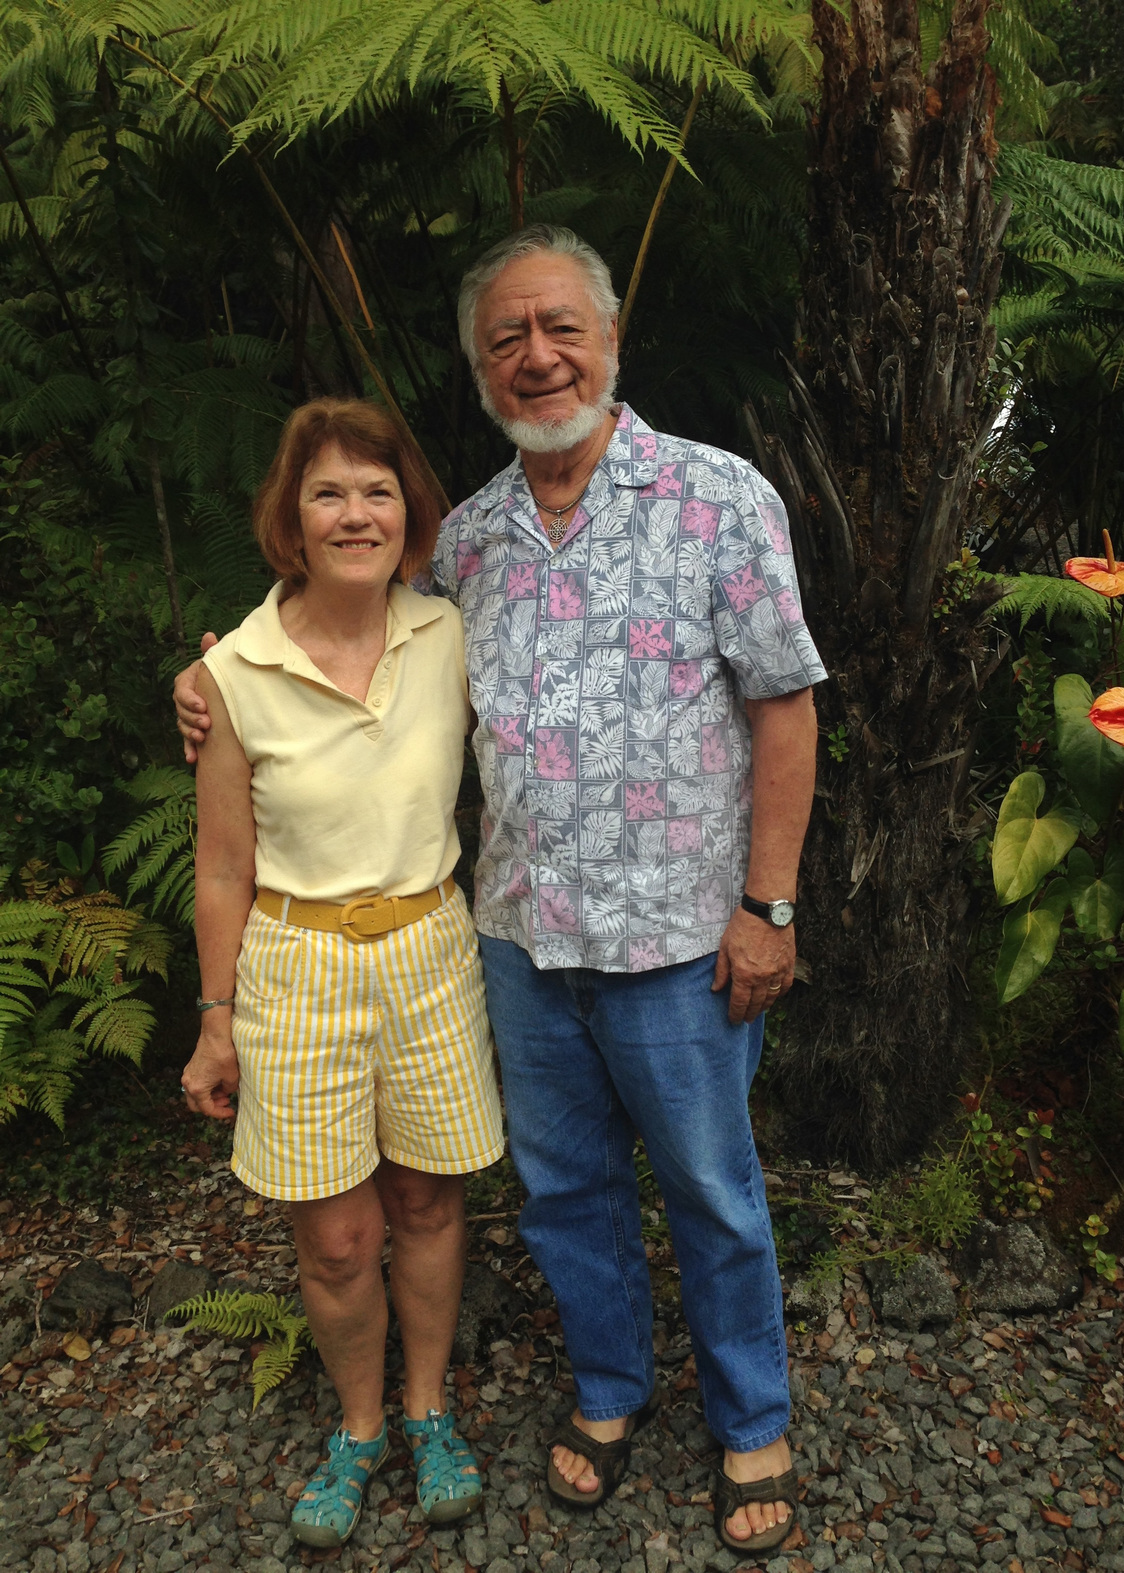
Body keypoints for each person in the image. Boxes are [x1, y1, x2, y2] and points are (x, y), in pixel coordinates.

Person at [177, 226, 824, 1555]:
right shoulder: (465, 542)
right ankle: (610, 1390)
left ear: (610, 339)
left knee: (712, 1192)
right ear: (481, 371)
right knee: (565, 1194)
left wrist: (770, 907)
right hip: (520, 948)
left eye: (560, 327)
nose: (538, 358)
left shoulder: (719, 498)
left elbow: (785, 703)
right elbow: (342, 611)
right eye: (506, 340)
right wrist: (210, 675)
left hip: (680, 943)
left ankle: (753, 1419)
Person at [179, 398, 504, 1551]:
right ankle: (358, 1426)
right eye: (329, 492)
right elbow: (223, 867)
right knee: (335, 1238)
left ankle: (426, 1410)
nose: (356, 513)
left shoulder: (450, 635)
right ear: (292, 517)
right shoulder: (235, 672)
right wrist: (214, 1020)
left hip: (429, 949)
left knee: (426, 1201)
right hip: (297, 963)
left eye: (377, 489)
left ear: (408, 509)